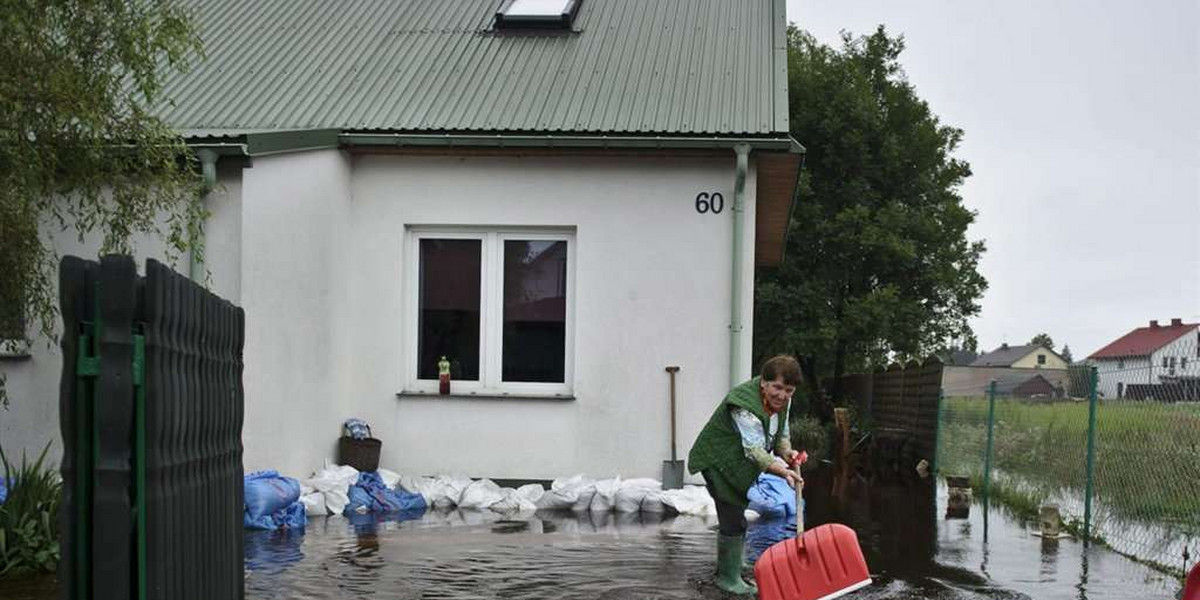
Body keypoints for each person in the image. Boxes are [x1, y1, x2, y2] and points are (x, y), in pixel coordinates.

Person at [688, 355, 804, 595]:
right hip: (717, 460)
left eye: (788, 390)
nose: (782, 395)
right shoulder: (744, 405)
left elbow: (781, 434)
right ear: (764, 382)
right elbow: (754, 451)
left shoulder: (784, 402)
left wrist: (789, 454)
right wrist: (783, 472)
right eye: (777, 387)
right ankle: (727, 578)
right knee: (733, 518)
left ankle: (734, 564)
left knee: (737, 514)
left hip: (736, 462)